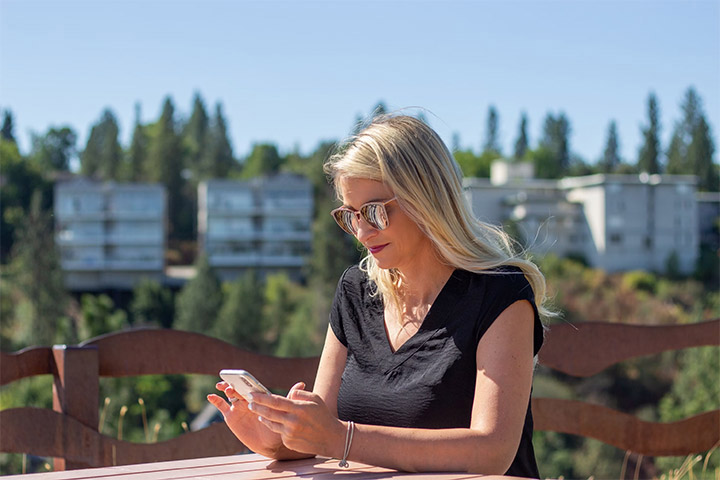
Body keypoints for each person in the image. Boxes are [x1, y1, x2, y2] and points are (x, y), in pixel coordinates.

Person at [207, 114, 551, 477]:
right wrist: (274, 437)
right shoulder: (355, 291)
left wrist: (342, 439)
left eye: (374, 212)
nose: (362, 231)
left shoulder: (500, 292)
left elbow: (492, 451)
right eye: (351, 215)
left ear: (425, 198)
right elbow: (324, 432)